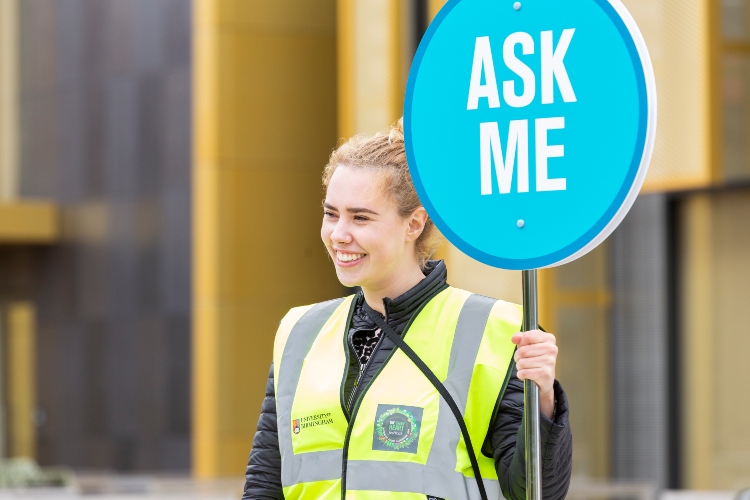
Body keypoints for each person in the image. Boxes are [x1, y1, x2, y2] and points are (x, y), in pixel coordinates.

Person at [242, 120, 572, 500]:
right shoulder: (299, 332)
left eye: (360, 217)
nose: (338, 233)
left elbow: (535, 493)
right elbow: (265, 484)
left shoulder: (498, 331)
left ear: (413, 223)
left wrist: (543, 398)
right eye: (331, 214)